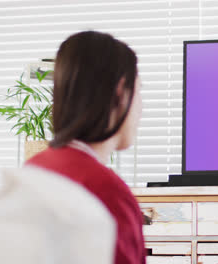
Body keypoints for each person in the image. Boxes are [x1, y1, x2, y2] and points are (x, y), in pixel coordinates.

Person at [26, 31, 146, 264]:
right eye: (139, 90)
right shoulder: (106, 192)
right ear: (120, 92)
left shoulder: (33, 170)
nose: (142, 107)